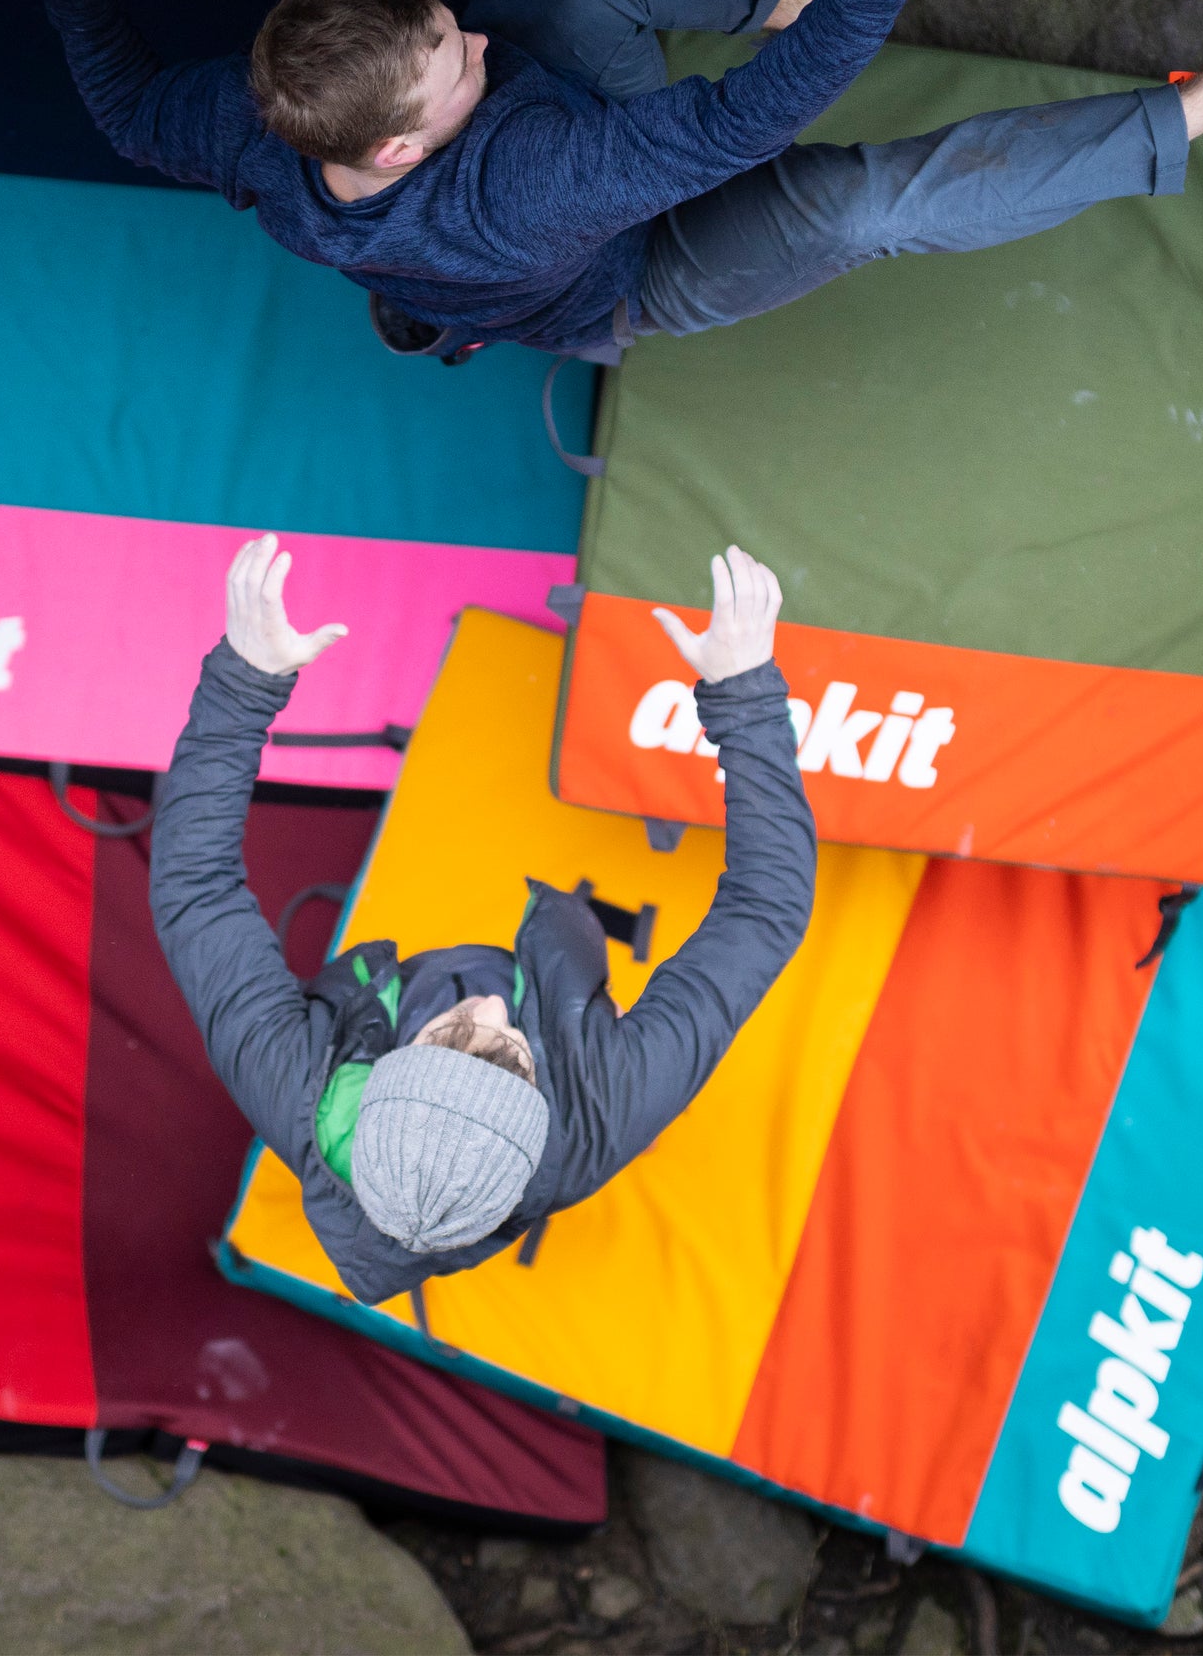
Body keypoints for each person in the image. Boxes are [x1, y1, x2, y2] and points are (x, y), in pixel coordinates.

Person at [17, 0, 1203, 361]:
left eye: (439, 18)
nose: (473, 36)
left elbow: (130, 113)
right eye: (453, 61)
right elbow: (742, 125)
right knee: (859, 204)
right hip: (623, 275)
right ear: (399, 140)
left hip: (525, 200)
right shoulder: (532, 179)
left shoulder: (257, 125)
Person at [149, 532, 813, 1305]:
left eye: (452, 1032)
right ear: (540, 1110)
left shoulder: (296, 1084)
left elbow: (197, 889)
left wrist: (245, 683)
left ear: (376, 1081)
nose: (491, 1005)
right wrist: (746, 694)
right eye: (510, 1051)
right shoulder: (605, 1109)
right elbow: (766, 909)